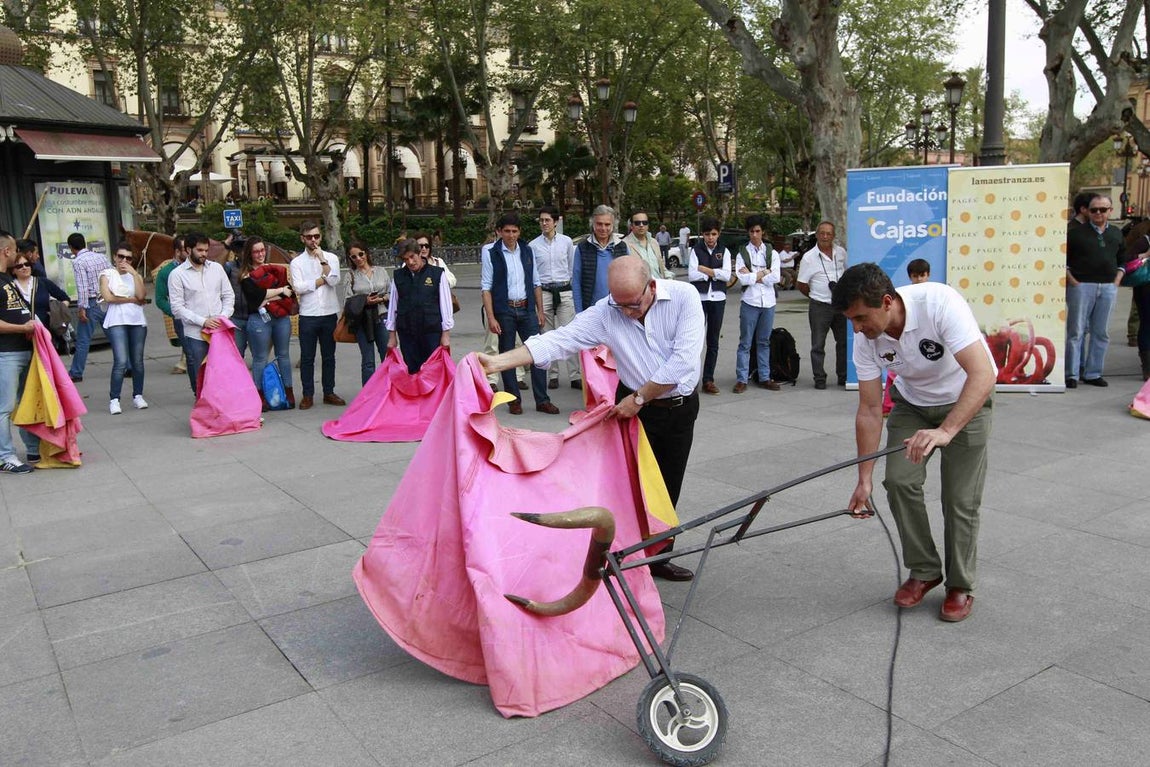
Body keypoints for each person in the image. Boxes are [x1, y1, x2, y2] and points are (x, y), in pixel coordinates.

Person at [478, 256, 703, 581]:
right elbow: (559, 340)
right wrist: (497, 363)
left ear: (651, 287)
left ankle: (658, 556)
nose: (627, 312)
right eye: (619, 305)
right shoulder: (607, 311)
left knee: (666, 486)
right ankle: (620, 554)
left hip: (675, 409)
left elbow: (683, 362)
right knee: (625, 485)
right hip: (632, 410)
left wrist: (639, 399)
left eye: (633, 305)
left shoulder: (684, 298)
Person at [836, 263, 995, 623]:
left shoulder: (939, 304)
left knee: (959, 498)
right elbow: (870, 409)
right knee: (898, 481)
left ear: (886, 302)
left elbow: (983, 374)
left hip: (967, 400)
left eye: (861, 318)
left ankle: (960, 585)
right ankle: (924, 570)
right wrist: (864, 479)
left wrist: (946, 431)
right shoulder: (865, 339)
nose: (857, 329)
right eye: (851, 321)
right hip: (913, 404)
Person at [480, 213, 558, 415]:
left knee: (538, 353)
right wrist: (491, 317)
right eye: (507, 231)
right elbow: (486, 287)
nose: (511, 235)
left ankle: (542, 400)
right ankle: (513, 400)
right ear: (499, 231)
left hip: (527, 308)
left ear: (519, 231)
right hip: (504, 310)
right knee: (507, 355)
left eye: (514, 231)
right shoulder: (490, 252)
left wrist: (540, 311)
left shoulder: (527, 250)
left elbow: (536, 282)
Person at [1064, 194, 1124, 388]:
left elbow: (1123, 259)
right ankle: (1071, 374)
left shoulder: (1116, 233)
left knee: (1101, 332)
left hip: (1107, 287)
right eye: (1094, 210)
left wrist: (1116, 280)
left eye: (1103, 209)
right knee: (1076, 331)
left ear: (1110, 211)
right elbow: (1063, 259)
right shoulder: (1075, 233)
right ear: (1087, 211)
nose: (1098, 213)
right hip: (1082, 286)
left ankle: (1093, 373)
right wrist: (1073, 281)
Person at [169, 231, 234, 396]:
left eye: (206, 250)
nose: (204, 254)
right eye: (200, 250)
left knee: (223, 371)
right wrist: (203, 321)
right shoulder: (177, 275)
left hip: (219, 330)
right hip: (195, 333)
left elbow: (228, 296)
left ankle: (222, 404)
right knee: (201, 372)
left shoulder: (217, 269)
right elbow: (177, 308)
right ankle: (203, 403)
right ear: (188, 250)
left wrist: (223, 317)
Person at [290, 221, 346, 409]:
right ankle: (308, 394)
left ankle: (329, 392)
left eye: (316, 236)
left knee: (329, 356)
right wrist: (323, 279)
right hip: (308, 315)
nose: (313, 240)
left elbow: (335, 280)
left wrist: (322, 260)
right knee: (307, 357)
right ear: (302, 239)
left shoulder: (331, 258)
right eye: (309, 237)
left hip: (329, 312)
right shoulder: (297, 262)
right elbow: (299, 287)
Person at [238, 237, 296, 408]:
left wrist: (268, 297)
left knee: (283, 355)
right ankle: (260, 396)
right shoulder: (245, 275)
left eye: (262, 250)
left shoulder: (273, 269)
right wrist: (279, 291)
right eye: (256, 251)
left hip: (281, 317)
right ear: (249, 254)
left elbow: (290, 292)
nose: (260, 254)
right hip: (258, 319)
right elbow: (255, 299)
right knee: (260, 358)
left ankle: (288, 392)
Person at [528, 205, 580, 390]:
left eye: (547, 220)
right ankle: (553, 374)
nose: (544, 223)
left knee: (570, 333)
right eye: (541, 220)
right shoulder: (533, 245)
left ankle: (575, 375)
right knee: (547, 335)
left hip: (564, 290)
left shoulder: (566, 242)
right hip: (544, 292)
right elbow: (533, 273)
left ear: (556, 222)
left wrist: (569, 288)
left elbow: (572, 267)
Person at [0, 230, 39, 472]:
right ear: (6, 251)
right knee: (4, 407)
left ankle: (33, 448)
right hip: (6, 354)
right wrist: (22, 327)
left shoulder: (6, 280)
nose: (18, 255)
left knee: (27, 401)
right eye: (15, 250)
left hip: (23, 350)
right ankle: (5, 456)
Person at [386, 239, 453, 373]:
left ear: (420, 253)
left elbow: (445, 305)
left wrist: (446, 334)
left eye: (412, 257)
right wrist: (392, 336)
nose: (410, 262)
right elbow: (393, 306)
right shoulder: (398, 276)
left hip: (431, 331)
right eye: (406, 259)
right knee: (412, 371)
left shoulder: (437, 274)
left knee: (433, 371)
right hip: (407, 332)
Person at [732, 214, 781, 393]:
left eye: (757, 231)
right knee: (745, 342)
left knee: (764, 341)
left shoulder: (772, 253)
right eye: (751, 231)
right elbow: (743, 279)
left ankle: (765, 377)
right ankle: (741, 378)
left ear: (763, 232)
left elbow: (776, 277)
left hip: (768, 302)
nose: (754, 235)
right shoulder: (742, 253)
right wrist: (763, 273)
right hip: (750, 300)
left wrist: (754, 275)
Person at [797, 220, 848, 389]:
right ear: (817, 235)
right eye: (822, 233)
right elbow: (802, 284)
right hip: (820, 306)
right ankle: (819, 378)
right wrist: (814, 295)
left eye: (828, 233)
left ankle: (843, 376)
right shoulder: (809, 257)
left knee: (843, 342)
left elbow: (848, 273)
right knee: (818, 344)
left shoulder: (841, 253)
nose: (825, 236)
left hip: (840, 306)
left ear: (833, 236)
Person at [99, 242, 149, 414]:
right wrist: (132, 299)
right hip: (116, 320)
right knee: (120, 361)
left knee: (138, 361)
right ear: (114, 257)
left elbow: (142, 296)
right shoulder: (107, 274)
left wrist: (134, 274)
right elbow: (108, 298)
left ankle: (138, 395)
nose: (124, 261)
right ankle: (114, 399)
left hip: (137, 320)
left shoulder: (135, 275)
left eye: (128, 258)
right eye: (121, 256)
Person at [688, 216, 731, 395]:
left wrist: (705, 270)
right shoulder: (696, 250)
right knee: (695, 340)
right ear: (702, 235)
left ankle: (708, 379)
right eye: (707, 234)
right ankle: (691, 379)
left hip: (718, 298)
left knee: (713, 341)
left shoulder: (724, 251)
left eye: (713, 234)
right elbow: (692, 275)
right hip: (700, 298)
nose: (710, 238)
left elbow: (727, 275)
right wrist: (715, 273)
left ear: (718, 234)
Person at [65, 232, 111, 383]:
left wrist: (82, 308)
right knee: (114, 336)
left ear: (71, 247)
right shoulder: (101, 257)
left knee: (83, 340)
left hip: (91, 303)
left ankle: (76, 372)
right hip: (106, 300)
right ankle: (128, 366)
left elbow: (82, 287)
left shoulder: (78, 262)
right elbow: (111, 275)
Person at [344, 240, 390, 384]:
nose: (358, 258)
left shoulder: (381, 271)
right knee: (368, 360)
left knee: (387, 356)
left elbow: (391, 293)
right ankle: (369, 393)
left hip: (382, 315)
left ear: (366, 253)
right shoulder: (350, 275)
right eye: (354, 256)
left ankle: (389, 389)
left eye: (361, 254)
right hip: (362, 320)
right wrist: (365, 301)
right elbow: (347, 301)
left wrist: (382, 298)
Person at [573, 205, 629, 313]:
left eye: (607, 224)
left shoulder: (622, 247)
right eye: (599, 224)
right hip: (591, 310)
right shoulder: (583, 248)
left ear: (613, 225)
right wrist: (579, 313)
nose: (603, 228)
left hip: (618, 309)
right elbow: (576, 282)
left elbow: (628, 278)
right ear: (593, 224)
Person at [9, 249, 69, 330]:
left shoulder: (43, 282)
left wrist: (58, 312)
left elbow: (65, 298)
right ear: (13, 270)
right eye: (19, 266)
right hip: (21, 332)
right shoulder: (9, 287)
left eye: (27, 264)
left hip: (46, 330)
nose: (24, 267)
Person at [155, 235, 189, 375]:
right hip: (181, 317)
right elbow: (160, 299)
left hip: (201, 313)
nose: (190, 252)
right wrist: (176, 312)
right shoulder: (165, 272)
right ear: (177, 251)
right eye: (186, 249)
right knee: (191, 349)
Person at [624, 210, 672, 280]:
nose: (641, 225)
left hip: (659, 284)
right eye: (637, 223)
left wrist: (669, 279)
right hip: (640, 286)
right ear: (631, 226)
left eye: (644, 222)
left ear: (648, 225)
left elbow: (662, 267)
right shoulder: (624, 244)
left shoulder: (654, 242)